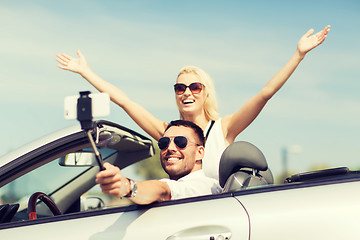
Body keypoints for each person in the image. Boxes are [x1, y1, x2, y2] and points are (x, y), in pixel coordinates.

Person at [57, 25, 330, 180]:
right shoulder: (169, 134)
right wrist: (86, 72)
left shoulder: (224, 129)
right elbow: (124, 102)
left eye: (194, 86)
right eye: (179, 87)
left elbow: (265, 93)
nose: (186, 92)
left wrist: (298, 54)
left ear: (206, 92)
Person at [95, 120, 222, 205]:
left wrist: (128, 186)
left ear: (200, 152)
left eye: (181, 142)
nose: (170, 148)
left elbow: (163, 190)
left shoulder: (202, 185)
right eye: (164, 143)